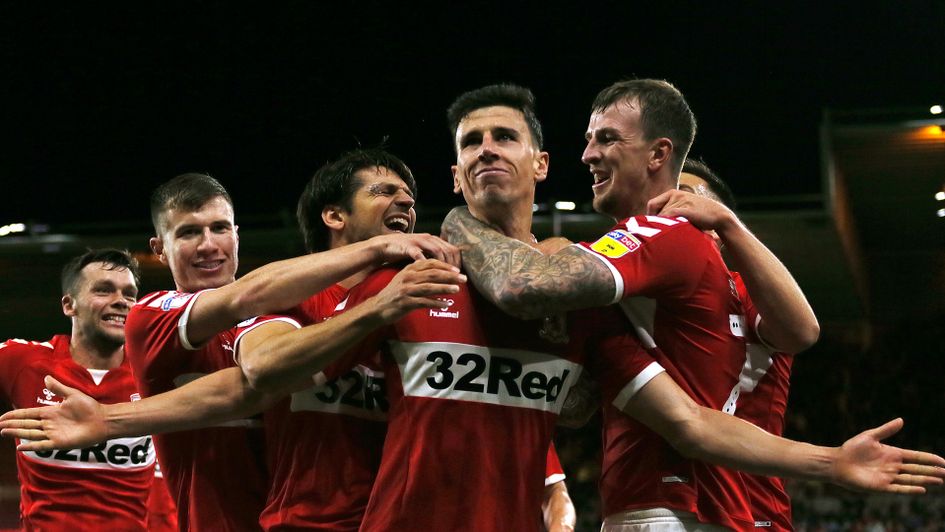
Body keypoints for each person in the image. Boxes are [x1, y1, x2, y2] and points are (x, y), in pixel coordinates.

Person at [440, 80, 936, 530]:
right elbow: (796, 338)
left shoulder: (661, 234)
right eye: (590, 139)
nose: (588, 154)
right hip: (742, 509)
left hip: (673, 508)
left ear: (659, 155)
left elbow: (524, 285)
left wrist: (459, 222)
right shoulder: (701, 296)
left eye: (607, 139)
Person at [121, 172, 462, 531]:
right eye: (189, 233)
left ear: (236, 235)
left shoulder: (292, 316)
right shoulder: (152, 316)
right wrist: (381, 246)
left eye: (219, 228)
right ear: (159, 249)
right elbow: (249, 332)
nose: (208, 245)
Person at [677, 158, 798, 531]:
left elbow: (801, 332)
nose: (667, 206)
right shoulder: (645, 304)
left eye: (683, 197)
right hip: (669, 507)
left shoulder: (743, 293)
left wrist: (730, 225)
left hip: (751, 511)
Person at [0, 249, 156, 530]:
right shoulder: (22, 361)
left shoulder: (157, 370)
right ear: (69, 305)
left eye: (129, 294)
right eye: (104, 290)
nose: (121, 301)